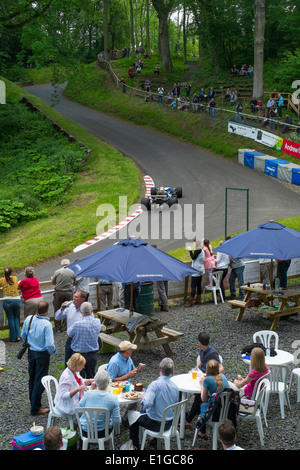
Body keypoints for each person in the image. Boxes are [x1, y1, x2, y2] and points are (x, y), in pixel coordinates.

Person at [129, 358, 178, 449]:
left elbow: (147, 404)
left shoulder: (154, 385)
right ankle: (154, 441)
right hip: (169, 423)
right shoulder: (175, 386)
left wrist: (143, 397)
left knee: (131, 414)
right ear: (172, 371)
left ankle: (134, 445)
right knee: (159, 410)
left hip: (155, 425)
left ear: (159, 368)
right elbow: (174, 404)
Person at [21, 300, 57, 416]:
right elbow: (50, 344)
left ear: (37, 309)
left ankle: (33, 403)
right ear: (47, 311)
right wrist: (53, 352)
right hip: (42, 354)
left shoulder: (29, 319)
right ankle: (36, 408)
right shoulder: (47, 325)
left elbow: (23, 335)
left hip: (31, 352)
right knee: (40, 380)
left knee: (32, 378)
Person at [185, 332, 223, 428]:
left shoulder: (212, 352)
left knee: (199, 397)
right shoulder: (202, 351)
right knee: (193, 392)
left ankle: (188, 420)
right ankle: (188, 419)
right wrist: (195, 368)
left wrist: (211, 375)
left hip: (208, 378)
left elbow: (221, 367)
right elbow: (202, 361)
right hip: (201, 375)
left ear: (199, 343)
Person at [78, 369, 121, 443]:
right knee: (109, 422)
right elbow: (117, 421)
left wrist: (91, 390)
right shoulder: (113, 398)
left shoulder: (88, 393)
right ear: (108, 383)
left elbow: (80, 406)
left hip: (85, 430)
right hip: (102, 432)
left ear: (95, 382)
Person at [55, 353, 95, 421]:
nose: (83, 367)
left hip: (75, 399)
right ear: (77, 365)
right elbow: (63, 396)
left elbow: (79, 381)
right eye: (82, 366)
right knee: (89, 408)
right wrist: (77, 389)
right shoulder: (67, 377)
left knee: (88, 406)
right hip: (66, 405)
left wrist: (89, 381)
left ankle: (78, 426)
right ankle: (81, 427)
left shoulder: (74, 371)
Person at [67, 301, 101, 378]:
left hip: (78, 354)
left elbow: (69, 333)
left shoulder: (77, 324)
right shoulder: (97, 322)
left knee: (78, 378)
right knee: (91, 376)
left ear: (81, 311)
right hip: (92, 354)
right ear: (92, 311)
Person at [197, 359, 230, 440]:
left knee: (202, 404)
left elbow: (204, 399)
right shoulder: (223, 376)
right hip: (226, 410)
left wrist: (202, 386)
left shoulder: (207, 380)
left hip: (215, 411)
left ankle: (202, 431)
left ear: (207, 369)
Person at [54, 289, 88, 366]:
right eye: (74, 296)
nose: (74, 299)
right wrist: (61, 308)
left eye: (76, 297)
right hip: (71, 339)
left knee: (80, 363)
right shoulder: (69, 307)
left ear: (82, 299)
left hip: (82, 340)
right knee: (68, 362)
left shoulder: (87, 309)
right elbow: (57, 317)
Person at [51, 259, 75, 331]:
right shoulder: (72, 272)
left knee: (57, 308)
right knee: (68, 309)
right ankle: (65, 326)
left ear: (61, 264)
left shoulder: (57, 271)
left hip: (59, 292)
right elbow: (74, 282)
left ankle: (57, 327)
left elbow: (52, 282)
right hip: (69, 292)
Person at [0, 267, 21, 342]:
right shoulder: (15, 278)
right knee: (16, 318)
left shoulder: (2, 280)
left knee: (11, 318)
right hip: (17, 300)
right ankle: (18, 335)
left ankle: (12, 337)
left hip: (7, 301)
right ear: (11, 273)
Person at [186, 239, 205, 307]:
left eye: (194, 243)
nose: (193, 245)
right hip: (200, 269)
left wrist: (190, 250)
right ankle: (198, 299)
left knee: (193, 286)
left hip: (196, 269)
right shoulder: (201, 250)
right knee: (198, 285)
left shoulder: (198, 250)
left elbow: (193, 257)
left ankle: (190, 301)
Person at [152, 244, 168, 311]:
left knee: (161, 291)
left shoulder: (153, 256)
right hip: (166, 274)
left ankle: (165, 306)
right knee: (162, 290)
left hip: (159, 275)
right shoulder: (161, 254)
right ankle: (161, 304)